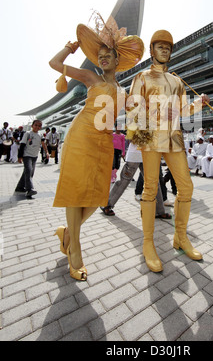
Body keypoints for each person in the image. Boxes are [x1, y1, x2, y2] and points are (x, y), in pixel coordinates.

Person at [49, 16, 144, 281]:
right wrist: (71, 46)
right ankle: (74, 251)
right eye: (99, 55)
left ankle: (67, 233)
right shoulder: (91, 76)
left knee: (98, 195)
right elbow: (55, 64)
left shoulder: (123, 90)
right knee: (76, 193)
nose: (102, 58)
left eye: (107, 56)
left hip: (104, 142)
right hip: (82, 136)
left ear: (117, 60)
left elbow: (138, 110)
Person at [127, 29, 209, 272]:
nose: (165, 50)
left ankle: (180, 237)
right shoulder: (141, 77)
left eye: (168, 47)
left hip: (173, 139)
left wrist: (198, 103)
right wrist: (139, 128)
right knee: (151, 188)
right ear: (151, 51)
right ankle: (148, 243)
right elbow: (132, 107)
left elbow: (183, 111)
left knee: (186, 187)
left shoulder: (176, 81)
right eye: (160, 46)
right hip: (150, 138)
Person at [101, 142, 171, 219]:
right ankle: (107, 205)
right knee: (124, 181)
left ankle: (159, 211)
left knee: (154, 182)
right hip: (135, 155)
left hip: (149, 155)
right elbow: (131, 137)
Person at [15, 119, 49, 197]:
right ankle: (29, 189)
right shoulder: (27, 133)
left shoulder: (40, 135)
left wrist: (46, 152)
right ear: (32, 126)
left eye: (39, 125)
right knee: (29, 171)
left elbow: (43, 144)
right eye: (36, 125)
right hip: (27, 155)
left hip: (34, 156)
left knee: (29, 172)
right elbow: (22, 145)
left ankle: (20, 187)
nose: (37, 127)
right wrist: (19, 157)